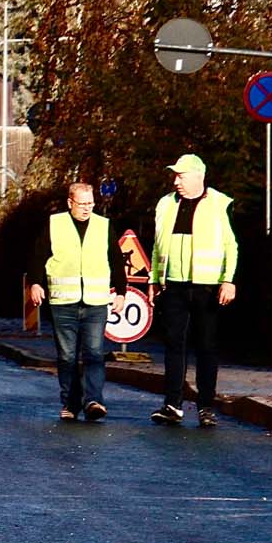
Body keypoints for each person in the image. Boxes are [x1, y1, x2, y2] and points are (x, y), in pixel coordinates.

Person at [149, 153, 238, 429]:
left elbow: (231, 245)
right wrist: (154, 279)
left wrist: (229, 280)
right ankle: (172, 405)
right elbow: (157, 245)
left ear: (199, 177)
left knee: (206, 347)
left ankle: (206, 407)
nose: (176, 181)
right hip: (173, 284)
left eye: (182, 176)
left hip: (207, 286)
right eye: (175, 176)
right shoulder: (166, 204)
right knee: (174, 345)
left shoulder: (220, 204)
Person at [27, 182, 127, 422]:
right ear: (70, 203)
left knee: (94, 353)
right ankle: (70, 404)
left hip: (95, 301)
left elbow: (116, 260)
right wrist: (35, 283)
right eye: (82, 204)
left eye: (90, 203)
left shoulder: (104, 226)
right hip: (64, 302)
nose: (86, 209)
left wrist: (121, 292)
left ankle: (94, 401)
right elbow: (38, 255)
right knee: (67, 356)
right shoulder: (55, 224)